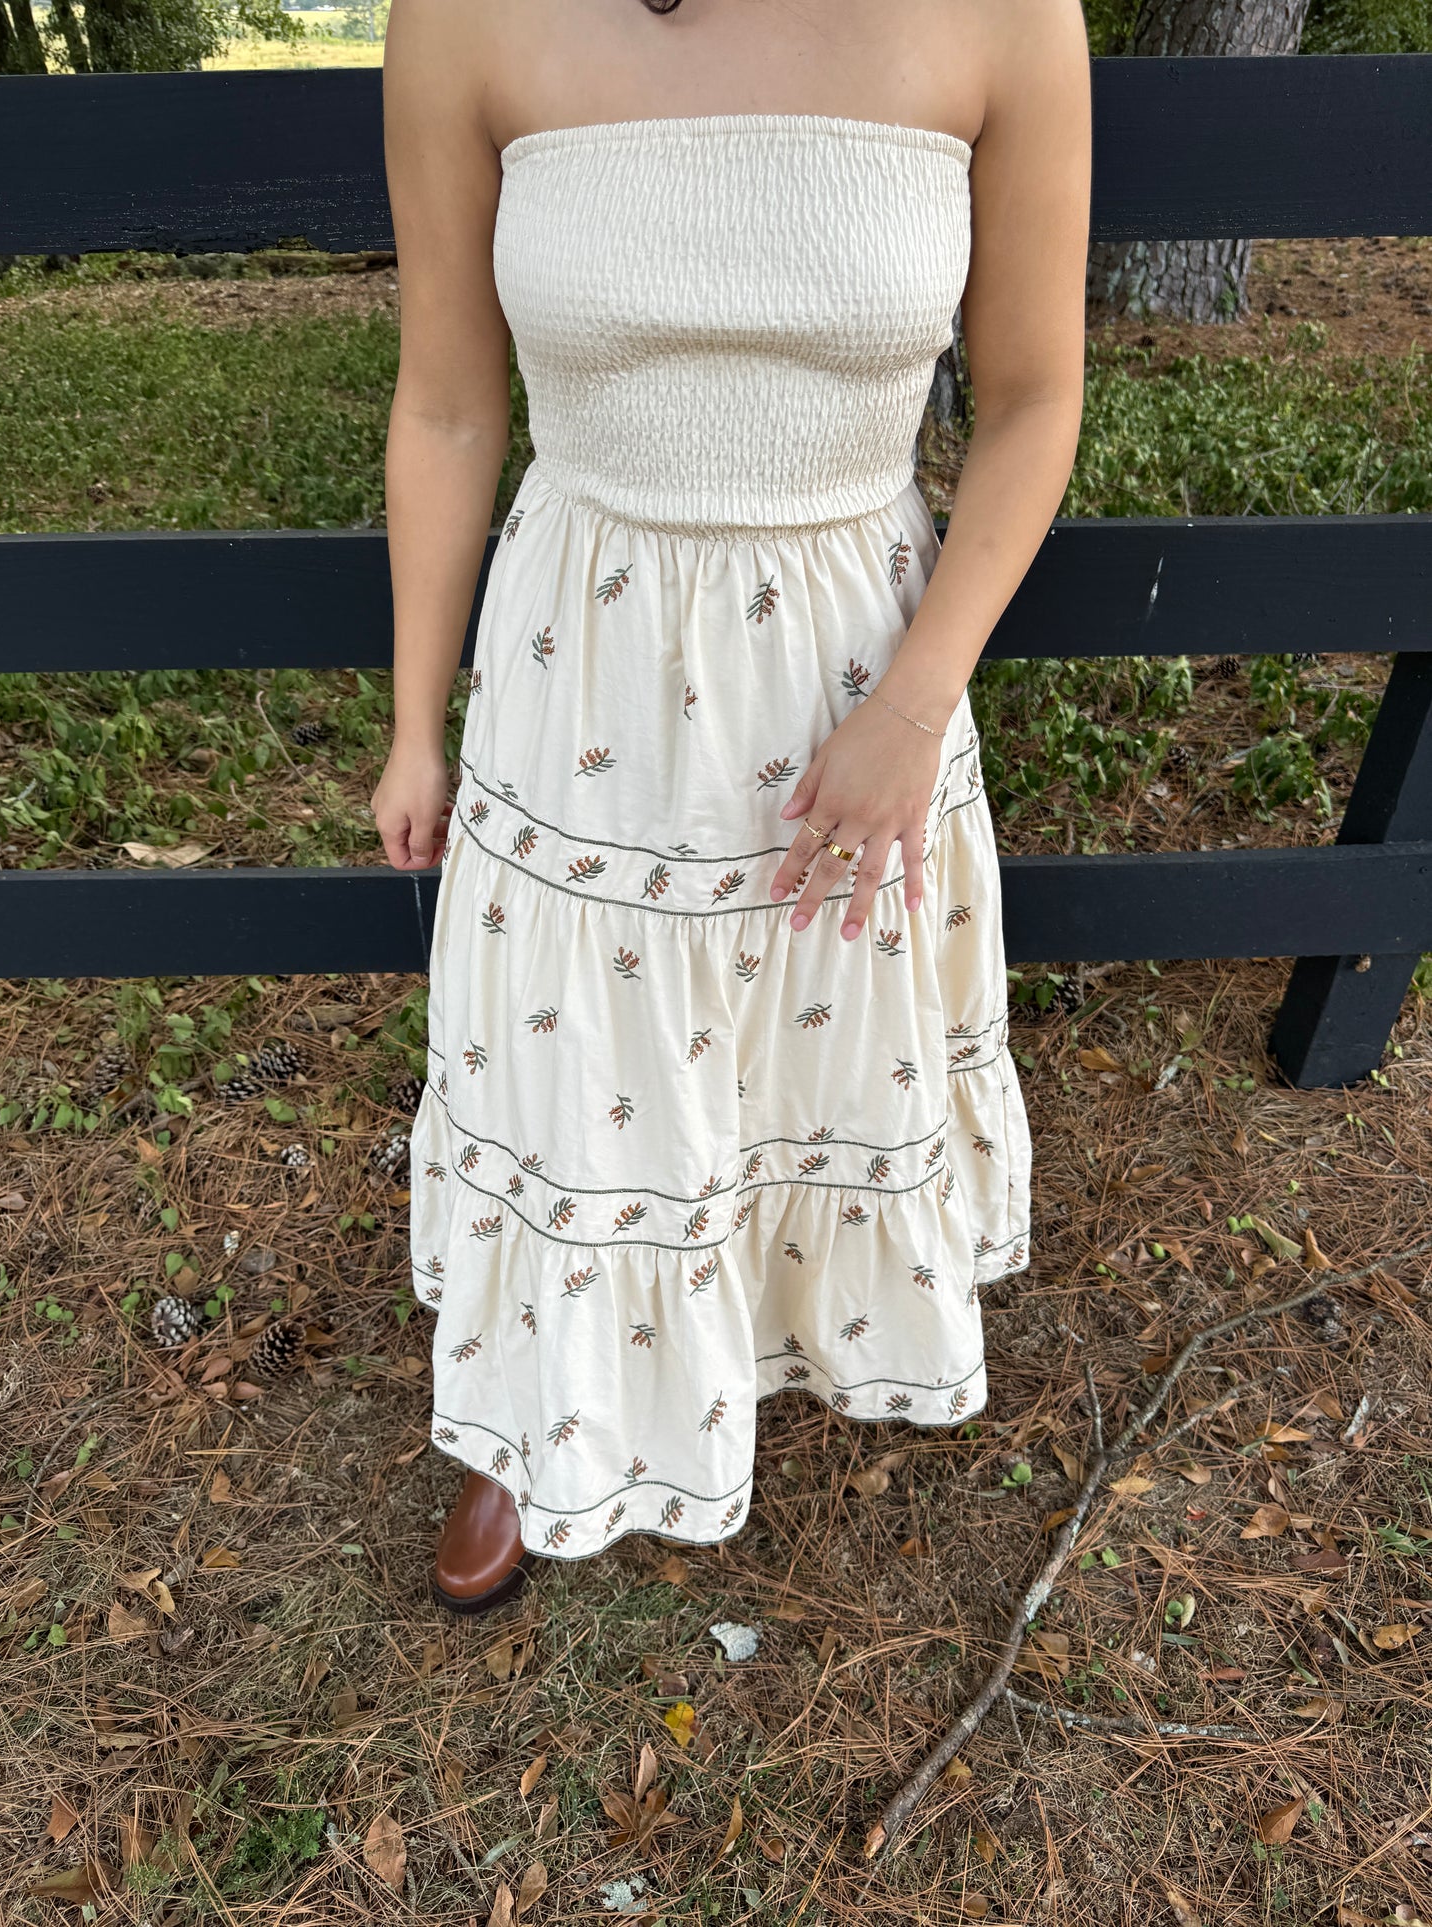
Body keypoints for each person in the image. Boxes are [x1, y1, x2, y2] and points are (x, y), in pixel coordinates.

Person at [371, 0, 1091, 1613]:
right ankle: (538, 1402)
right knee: (577, 1058)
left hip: (853, 671)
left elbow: (1035, 397)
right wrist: (415, 726)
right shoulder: (464, 17)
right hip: (582, 665)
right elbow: (445, 404)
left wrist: (913, 705)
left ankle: (763, 1337)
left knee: (804, 1030)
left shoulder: (1004, 16)